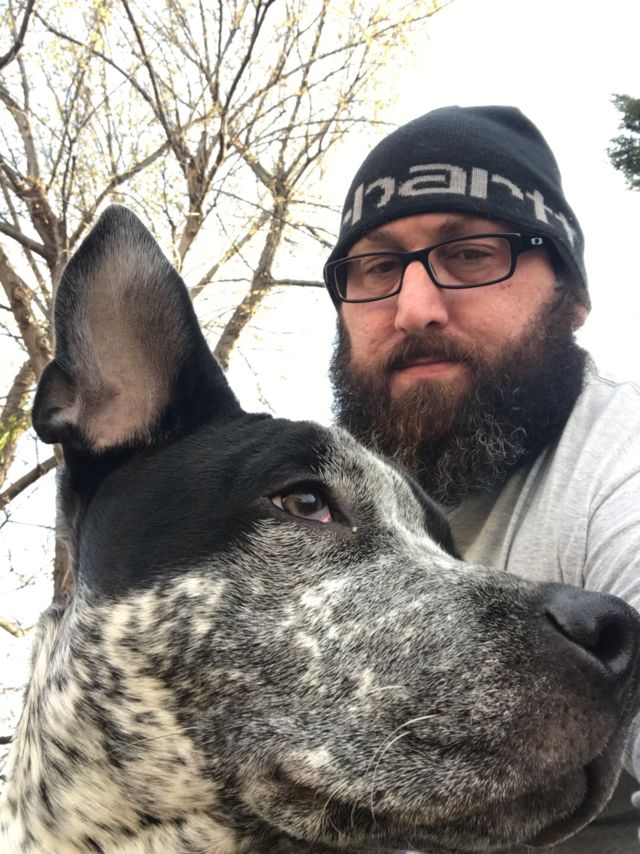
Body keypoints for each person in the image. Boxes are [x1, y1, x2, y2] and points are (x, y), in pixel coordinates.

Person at [323, 105, 640, 853]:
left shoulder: (619, 466)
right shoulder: (305, 507)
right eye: (378, 268)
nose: (414, 309)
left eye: (470, 254)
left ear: (570, 295)